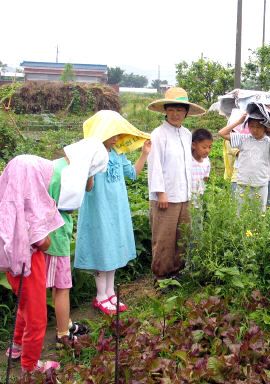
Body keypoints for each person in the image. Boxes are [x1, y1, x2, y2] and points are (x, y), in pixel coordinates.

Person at [74, 111, 151, 315]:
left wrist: (144, 153)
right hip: (99, 210)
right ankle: (100, 296)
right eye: (112, 133)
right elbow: (87, 187)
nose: (116, 137)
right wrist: (89, 170)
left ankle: (110, 293)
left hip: (117, 209)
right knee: (102, 249)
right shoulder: (91, 154)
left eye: (118, 132)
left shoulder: (118, 153)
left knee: (113, 248)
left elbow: (132, 174)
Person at [0, 155, 65, 374]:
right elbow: (43, 243)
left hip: (13, 268)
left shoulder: (8, 203)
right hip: (31, 267)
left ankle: (16, 346)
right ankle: (30, 366)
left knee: (24, 308)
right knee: (37, 318)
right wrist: (47, 235)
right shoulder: (28, 208)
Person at [45, 138, 108, 347]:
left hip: (41, 235)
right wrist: (88, 176)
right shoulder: (70, 175)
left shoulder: (57, 165)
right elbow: (70, 206)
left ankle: (65, 323)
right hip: (54, 236)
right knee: (61, 286)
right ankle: (63, 334)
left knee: (49, 285)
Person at [147, 87, 206, 282]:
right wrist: (160, 193)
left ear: (186, 112)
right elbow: (155, 165)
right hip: (166, 196)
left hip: (185, 195)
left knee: (182, 236)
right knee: (164, 238)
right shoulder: (158, 134)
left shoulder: (187, 134)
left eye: (180, 110)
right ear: (165, 111)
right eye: (171, 110)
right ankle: (162, 277)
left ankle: (177, 272)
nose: (175, 114)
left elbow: (187, 165)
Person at [218, 112, 270, 212]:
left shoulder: (269, 142)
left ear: (265, 127)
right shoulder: (243, 139)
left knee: (259, 215)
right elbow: (222, 133)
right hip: (242, 184)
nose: (254, 130)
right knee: (239, 213)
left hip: (261, 185)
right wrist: (239, 121)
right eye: (252, 126)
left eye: (258, 127)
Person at [191, 128, 213, 206]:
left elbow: (205, 178)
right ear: (193, 145)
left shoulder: (206, 161)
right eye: (204, 147)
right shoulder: (187, 160)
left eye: (210, 147)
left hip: (198, 201)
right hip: (186, 201)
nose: (207, 150)